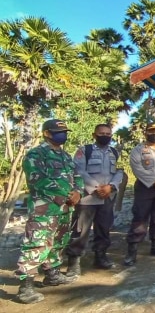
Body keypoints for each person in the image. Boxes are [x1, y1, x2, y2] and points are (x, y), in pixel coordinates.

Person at [15, 119, 82, 304]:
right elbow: (38, 179)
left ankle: (52, 274)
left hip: (65, 209)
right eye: (58, 131)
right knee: (36, 243)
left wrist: (78, 192)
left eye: (65, 131)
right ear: (47, 133)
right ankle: (26, 286)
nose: (63, 135)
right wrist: (65, 195)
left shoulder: (66, 156)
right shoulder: (36, 154)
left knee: (58, 242)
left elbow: (77, 177)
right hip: (44, 209)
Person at [66, 124, 123, 277]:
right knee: (80, 230)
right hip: (88, 197)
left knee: (104, 228)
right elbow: (79, 171)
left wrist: (111, 187)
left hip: (107, 197)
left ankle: (100, 256)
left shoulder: (115, 152)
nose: (105, 135)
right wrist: (97, 188)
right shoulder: (84, 150)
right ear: (94, 134)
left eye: (108, 133)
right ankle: (74, 262)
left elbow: (120, 171)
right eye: (101, 133)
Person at [123, 123, 155, 266]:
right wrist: (154, 181)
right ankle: (132, 250)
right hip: (145, 188)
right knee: (140, 218)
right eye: (151, 131)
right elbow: (137, 168)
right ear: (145, 133)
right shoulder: (137, 150)